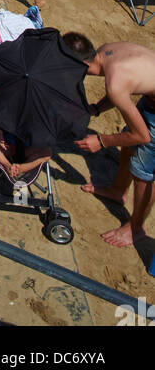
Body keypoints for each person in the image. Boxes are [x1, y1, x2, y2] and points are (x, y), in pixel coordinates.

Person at [65, 33, 155, 247]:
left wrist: (102, 141)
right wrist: (95, 109)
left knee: (143, 170)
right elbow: (124, 88)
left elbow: (141, 135)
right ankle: (118, 191)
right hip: (151, 98)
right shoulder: (105, 52)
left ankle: (136, 228)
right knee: (128, 145)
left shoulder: (115, 82)